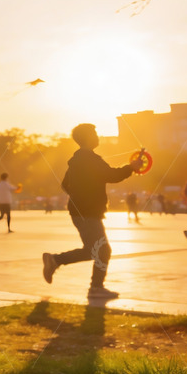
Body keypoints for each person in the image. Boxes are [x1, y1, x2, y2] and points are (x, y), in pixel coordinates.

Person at [41, 123, 142, 300]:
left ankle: (57, 262)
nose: (97, 136)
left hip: (83, 211)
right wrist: (132, 167)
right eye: (95, 133)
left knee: (94, 250)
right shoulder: (90, 159)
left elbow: (65, 184)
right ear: (88, 137)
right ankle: (93, 286)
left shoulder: (76, 160)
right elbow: (112, 175)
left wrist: (79, 194)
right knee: (102, 250)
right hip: (87, 212)